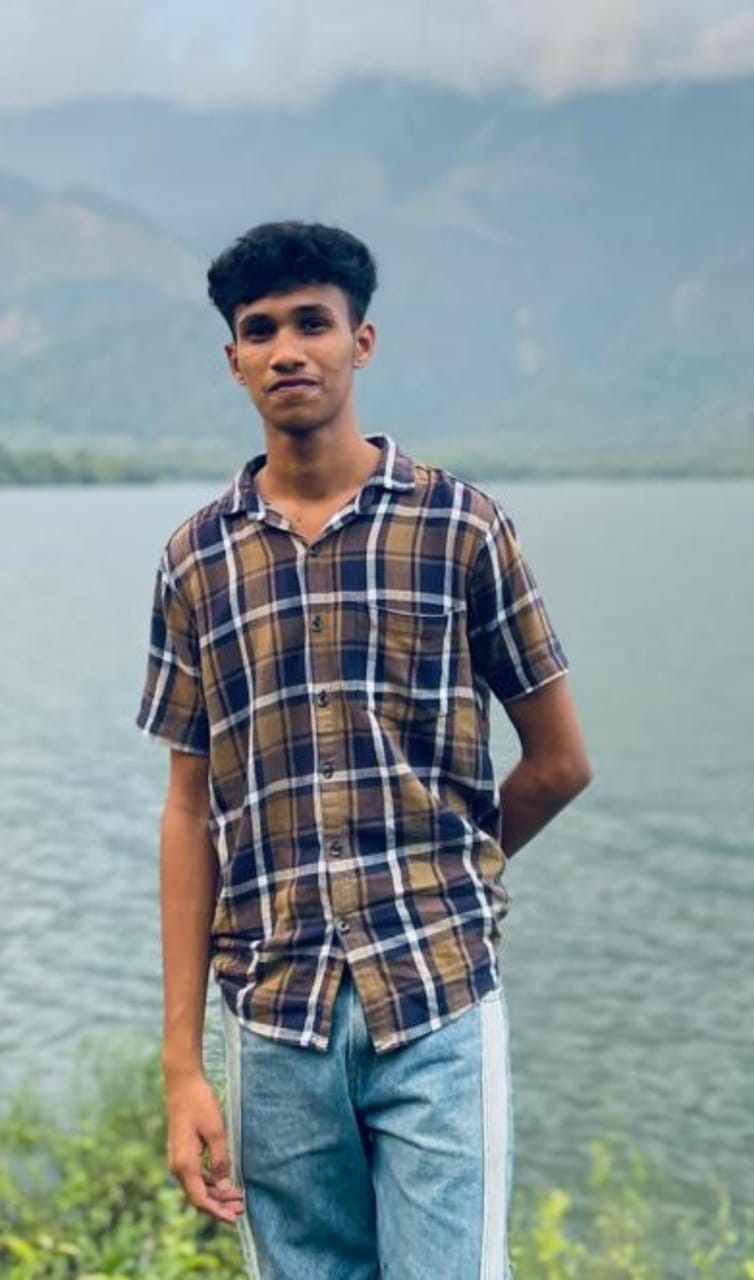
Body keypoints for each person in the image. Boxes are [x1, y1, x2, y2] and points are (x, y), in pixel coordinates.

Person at [136, 220, 592, 1280]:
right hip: (272, 1018)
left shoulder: (460, 527)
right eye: (261, 330)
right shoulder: (196, 560)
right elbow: (188, 811)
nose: (288, 349)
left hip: (436, 997)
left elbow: (560, 762)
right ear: (234, 359)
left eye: (313, 323)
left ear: (362, 342)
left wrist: (453, 870)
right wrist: (181, 1064)